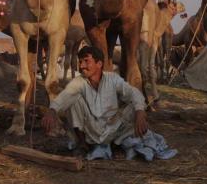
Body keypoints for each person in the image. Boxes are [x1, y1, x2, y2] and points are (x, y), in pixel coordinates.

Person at [42, 46, 176, 161]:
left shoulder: (112, 79)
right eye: (80, 62)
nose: (81, 66)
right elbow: (65, 95)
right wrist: (52, 110)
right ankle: (83, 145)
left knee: (134, 105)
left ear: (99, 64)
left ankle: (115, 145)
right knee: (73, 100)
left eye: (86, 61)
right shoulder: (78, 82)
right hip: (91, 130)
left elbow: (133, 92)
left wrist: (140, 112)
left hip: (113, 128)